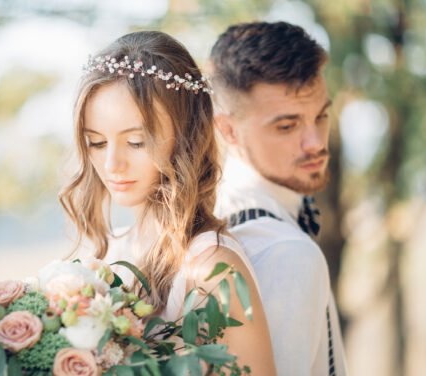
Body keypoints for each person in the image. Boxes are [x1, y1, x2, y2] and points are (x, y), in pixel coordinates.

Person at [58, 31, 276, 375]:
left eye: (135, 141)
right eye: (97, 143)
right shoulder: (106, 254)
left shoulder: (212, 270)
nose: (112, 163)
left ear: (186, 136)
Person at [210, 21, 348, 375]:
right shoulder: (285, 253)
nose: (315, 142)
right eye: (287, 126)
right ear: (228, 130)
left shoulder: (214, 214)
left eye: (321, 116)